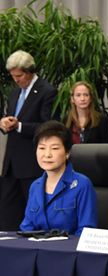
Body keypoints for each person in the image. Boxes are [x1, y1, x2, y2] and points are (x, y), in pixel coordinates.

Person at [0, 50, 57, 230]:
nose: (16, 80)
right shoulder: (14, 92)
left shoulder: (47, 91)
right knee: (7, 214)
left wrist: (20, 126)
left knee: (34, 214)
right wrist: (4, 122)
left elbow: (48, 126)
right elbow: (11, 117)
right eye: (13, 76)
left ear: (29, 71)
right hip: (11, 164)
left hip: (31, 163)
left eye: (18, 76)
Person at [19, 120, 97, 236]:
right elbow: (27, 228)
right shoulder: (35, 186)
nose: (47, 154)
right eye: (42, 148)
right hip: (38, 251)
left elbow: (86, 232)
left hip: (68, 252)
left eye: (54, 148)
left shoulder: (82, 184)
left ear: (67, 153)